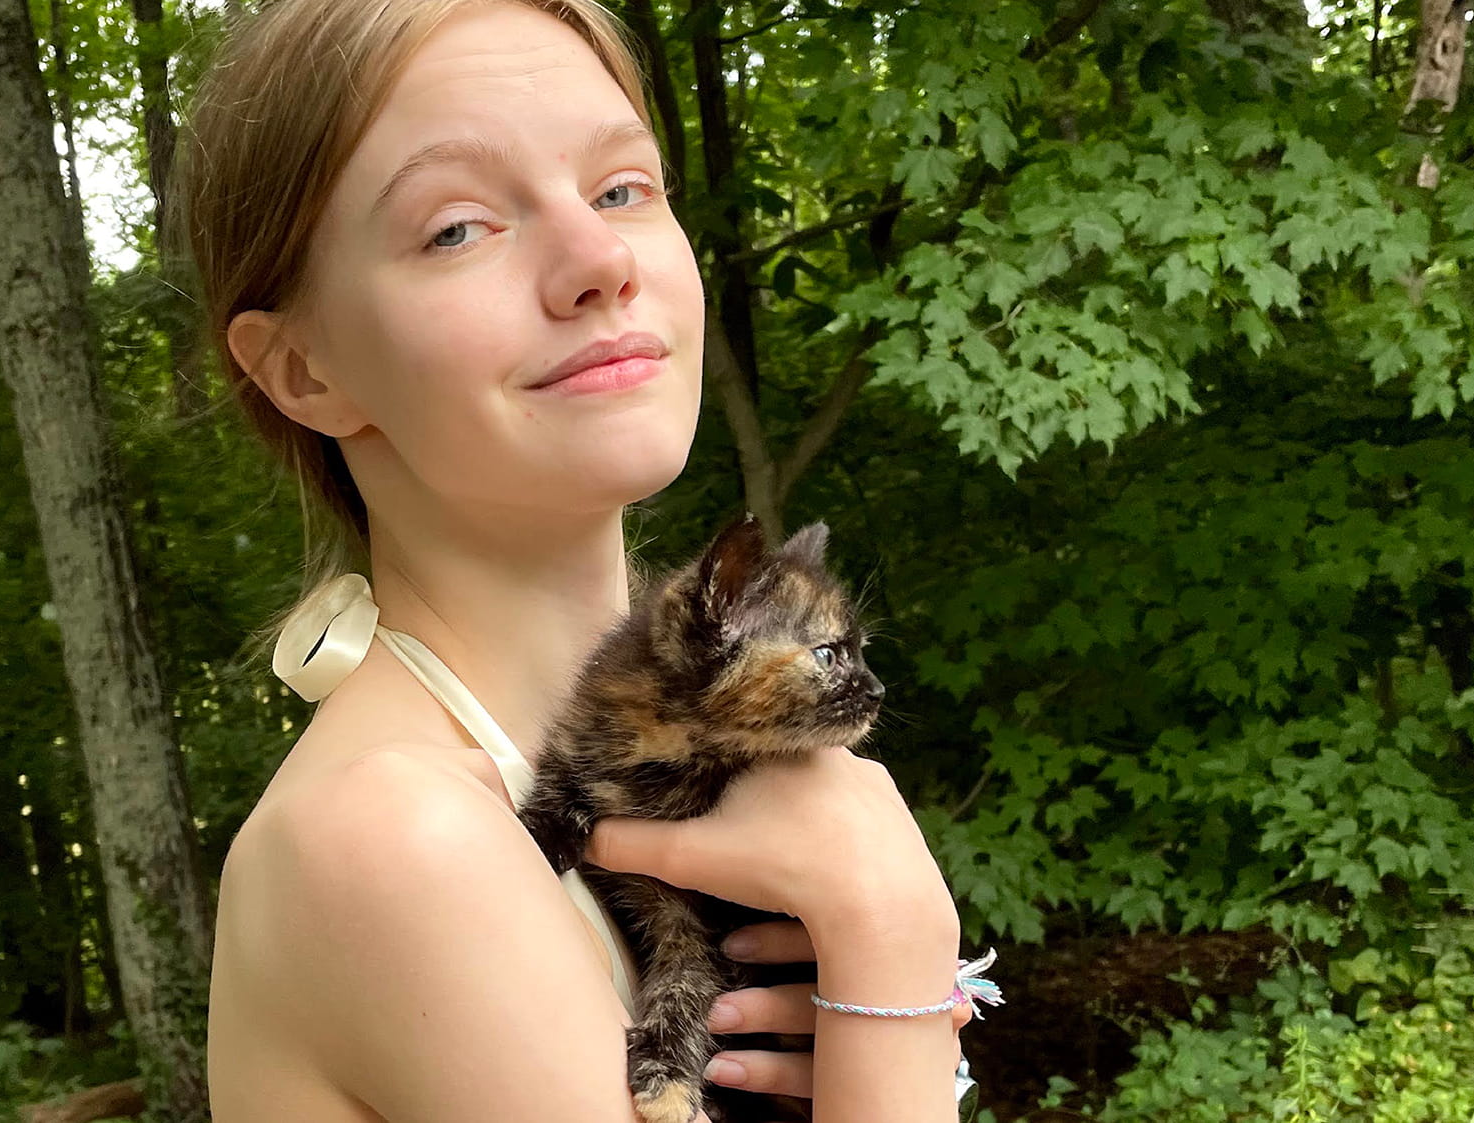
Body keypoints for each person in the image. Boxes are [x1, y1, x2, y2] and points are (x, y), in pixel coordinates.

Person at [181, 0, 978, 1118]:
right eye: (456, 226)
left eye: (621, 189)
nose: (599, 259)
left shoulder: (709, 778)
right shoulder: (394, 840)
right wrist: (892, 939)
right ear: (304, 370)